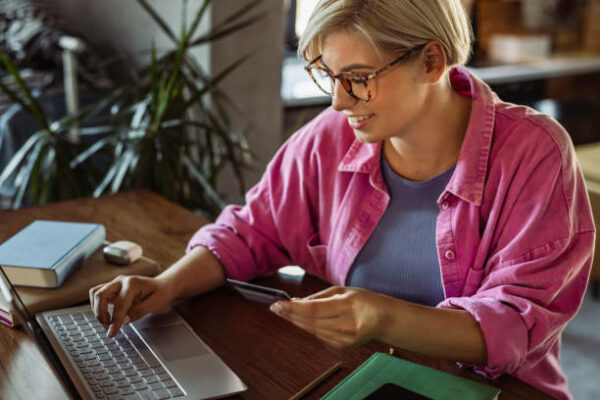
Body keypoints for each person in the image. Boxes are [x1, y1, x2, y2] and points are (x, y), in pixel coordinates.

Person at [89, 1, 594, 399]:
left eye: (358, 78)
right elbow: (253, 229)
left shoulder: (534, 152)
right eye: (329, 76)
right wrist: (165, 285)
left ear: (432, 61)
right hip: (359, 375)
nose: (338, 101)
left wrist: (381, 317)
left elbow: (517, 322)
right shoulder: (331, 136)